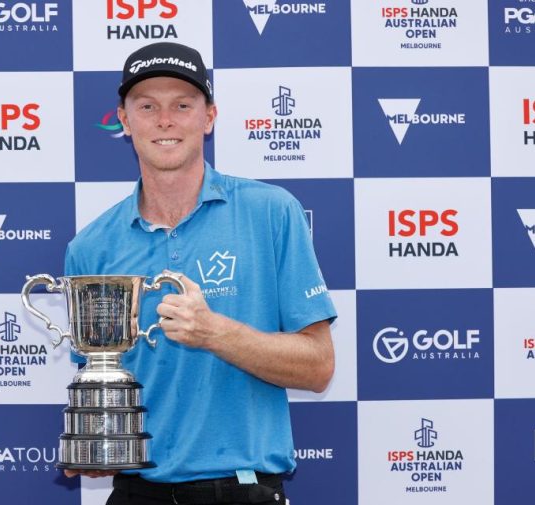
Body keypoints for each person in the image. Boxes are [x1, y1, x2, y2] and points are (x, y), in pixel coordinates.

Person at [63, 42, 337, 505]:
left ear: (209, 117)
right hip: (136, 493)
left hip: (242, 488)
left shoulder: (272, 212)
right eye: (147, 106)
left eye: (182, 105)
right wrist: (97, 443)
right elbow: (100, 379)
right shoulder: (91, 247)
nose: (165, 121)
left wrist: (215, 332)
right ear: (124, 121)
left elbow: (318, 367)